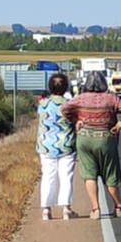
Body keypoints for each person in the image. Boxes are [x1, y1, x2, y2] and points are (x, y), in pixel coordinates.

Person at [62, 70, 121, 218]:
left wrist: (77, 121)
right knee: (110, 174)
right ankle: (119, 206)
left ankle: (95, 209)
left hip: (84, 138)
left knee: (89, 174)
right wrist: (119, 125)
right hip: (105, 138)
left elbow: (64, 109)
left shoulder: (80, 99)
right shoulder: (111, 98)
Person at [36, 74, 77, 221]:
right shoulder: (70, 104)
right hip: (66, 145)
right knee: (66, 176)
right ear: (66, 86)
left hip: (46, 145)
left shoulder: (43, 104)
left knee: (48, 176)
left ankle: (46, 209)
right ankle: (66, 209)